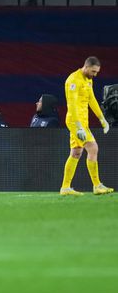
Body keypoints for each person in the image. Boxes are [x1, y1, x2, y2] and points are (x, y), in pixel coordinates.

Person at [60, 56, 113, 196]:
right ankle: (97, 185)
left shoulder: (88, 80)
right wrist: (78, 127)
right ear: (86, 66)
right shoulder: (73, 81)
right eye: (94, 71)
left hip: (83, 122)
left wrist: (102, 119)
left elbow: (92, 99)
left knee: (76, 152)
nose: (95, 75)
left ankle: (65, 187)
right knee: (93, 148)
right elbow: (71, 106)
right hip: (74, 121)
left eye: (97, 72)